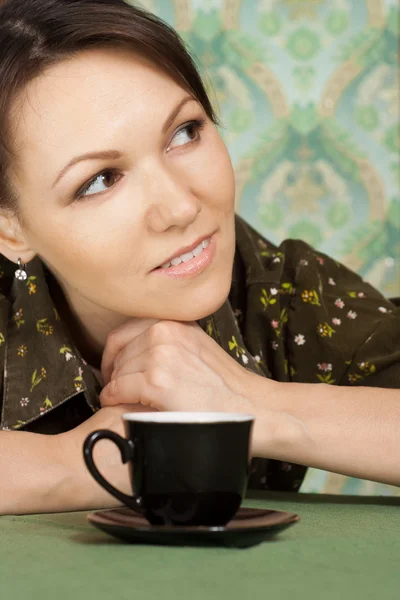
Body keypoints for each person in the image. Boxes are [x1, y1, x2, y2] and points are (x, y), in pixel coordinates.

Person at [0, 0, 398, 516]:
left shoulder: (283, 293)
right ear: (10, 229)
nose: (182, 207)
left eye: (184, 132)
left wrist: (249, 404)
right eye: (99, 180)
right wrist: (76, 467)